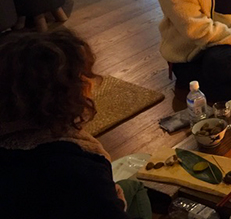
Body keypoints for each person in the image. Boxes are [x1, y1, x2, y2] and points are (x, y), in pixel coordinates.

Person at [0, 30, 152, 219]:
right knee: (134, 188)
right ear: (63, 94)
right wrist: (115, 200)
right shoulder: (78, 168)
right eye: (84, 76)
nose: (92, 84)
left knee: (131, 186)